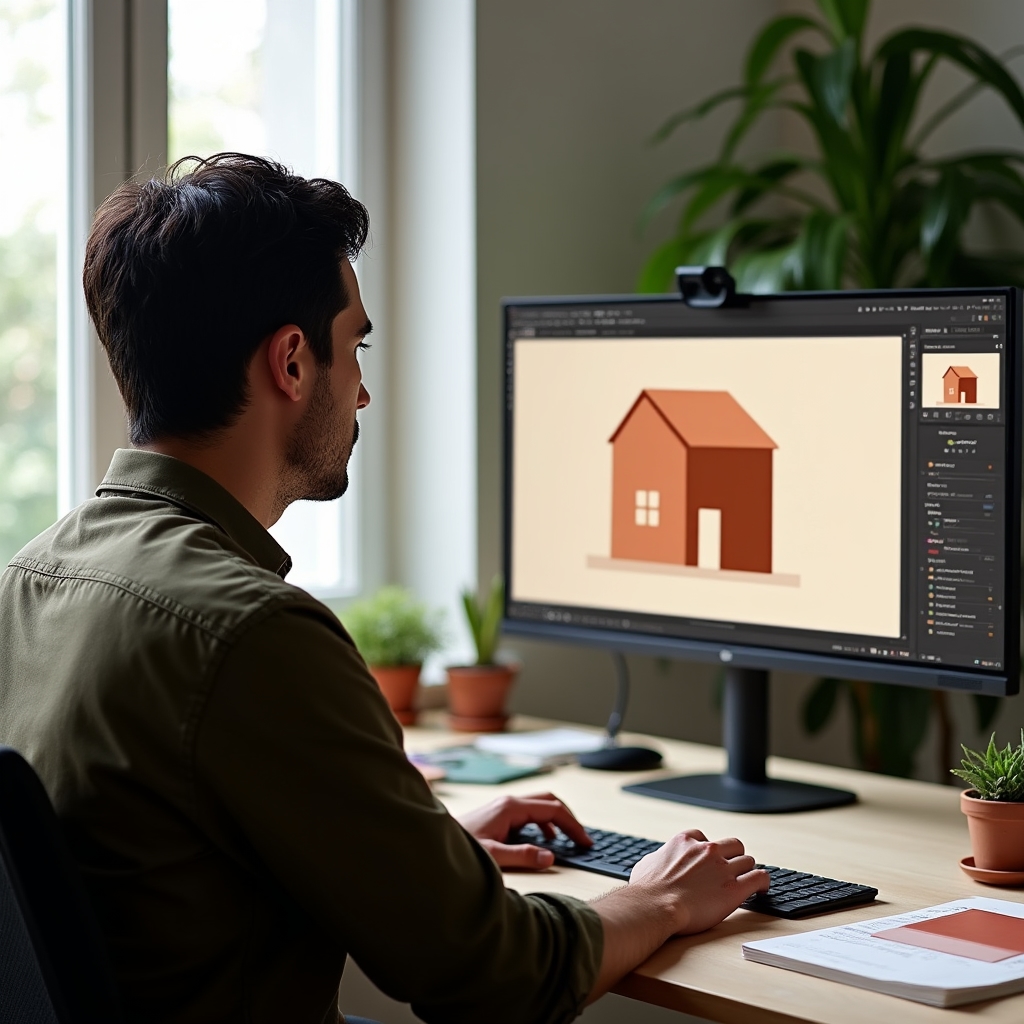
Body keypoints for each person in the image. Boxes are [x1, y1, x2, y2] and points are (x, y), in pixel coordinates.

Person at [0, 153, 768, 1024]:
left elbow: (167, 872)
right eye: (355, 345)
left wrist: (418, 857)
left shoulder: (26, 582)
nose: (363, 392)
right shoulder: (252, 633)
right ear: (291, 362)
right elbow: (497, 979)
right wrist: (664, 898)